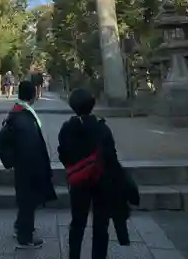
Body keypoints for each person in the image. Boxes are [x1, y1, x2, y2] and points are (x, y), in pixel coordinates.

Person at [57, 88, 139, 259]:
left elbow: (63, 154)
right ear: (92, 105)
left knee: (77, 223)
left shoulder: (67, 129)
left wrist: (75, 167)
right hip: (102, 181)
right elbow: (112, 157)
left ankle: (74, 255)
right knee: (101, 225)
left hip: (78, 182)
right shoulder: (102, 128)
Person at [0, 81, 56, 249]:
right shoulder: (23, 117)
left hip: (24, 165)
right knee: (28, 200)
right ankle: (25, 237)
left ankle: (21, 227)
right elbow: (30, 145)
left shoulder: (19, 111)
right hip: (29, 166)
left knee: (25, 200)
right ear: (33, 95)